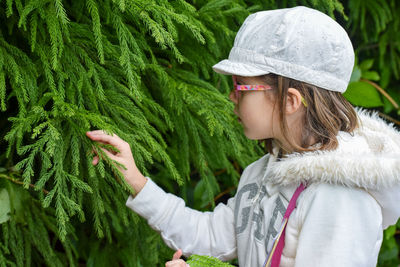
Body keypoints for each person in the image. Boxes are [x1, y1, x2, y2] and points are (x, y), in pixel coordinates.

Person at [86, 6, 400, 267]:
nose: (231, 98)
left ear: (290, 101)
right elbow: (211, 236)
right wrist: (138, 182)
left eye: (240, 86)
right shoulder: (262, 172)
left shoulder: (342, 197)